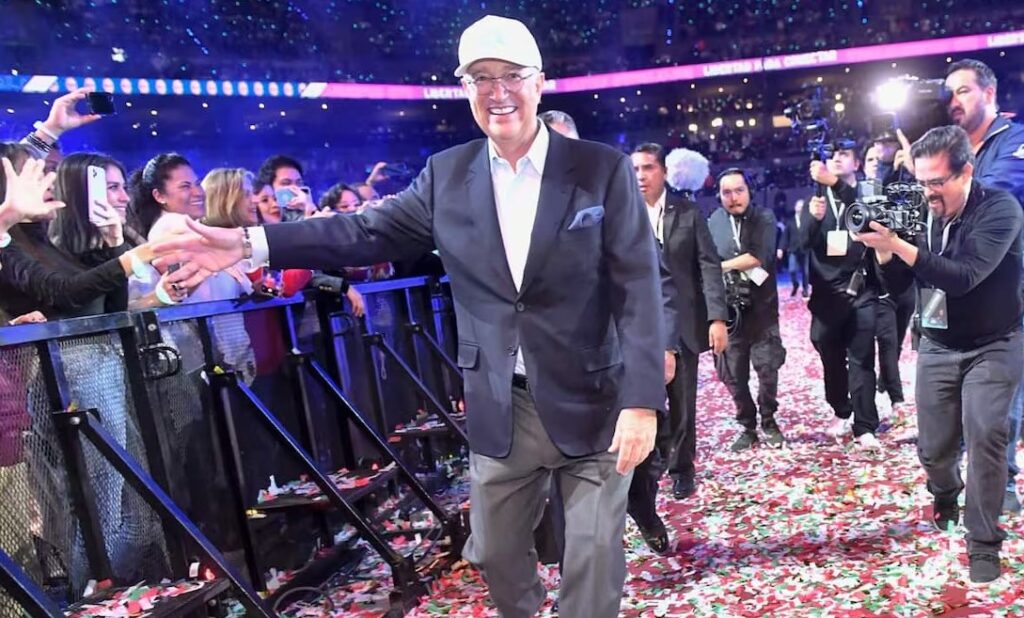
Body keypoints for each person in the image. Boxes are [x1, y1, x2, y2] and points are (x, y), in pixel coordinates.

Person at [154, 15, 664, 618]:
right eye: (481, 78)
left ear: (539, 82)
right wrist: (249, 244)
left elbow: (637, 285)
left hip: (595, 397)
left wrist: (642, 400)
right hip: (504, 401)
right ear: (465, 88)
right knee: (495, 554)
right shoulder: (447, 174)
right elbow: (361, 231)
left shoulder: (601, 168)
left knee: (594, 557)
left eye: (511, 75)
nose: (498, 91)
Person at [858, 125, 1022, 583]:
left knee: (986, 434)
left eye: (936, 182)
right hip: (937, 341)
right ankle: (945, 490)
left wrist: (900, 246)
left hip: (995, 343)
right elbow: (899, 286)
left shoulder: (1000, 209)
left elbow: (963, 277)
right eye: (921, 181)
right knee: (934, 450)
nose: (927, 192)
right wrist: (885, 254)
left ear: (965, 172)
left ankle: (983, 543)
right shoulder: (918, 210)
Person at [626, 144, 728, 555]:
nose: (640, 175)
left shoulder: (687, 212)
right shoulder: (623, 213)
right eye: (635, 168)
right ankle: (647, 483)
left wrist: (716, 317)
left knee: (683, 403)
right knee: (646, 409)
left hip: (682, 323)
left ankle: (682, 467)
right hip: (638, 330)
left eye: (648, 168)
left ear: (664, 172)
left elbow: (708, 265)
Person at [944, 58, 1024, 514]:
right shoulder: (950, 149)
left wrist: (938, 189)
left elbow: (994, 195)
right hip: (957, 285)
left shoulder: (1015, 141)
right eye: (949, 94)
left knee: (1001, 392)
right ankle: (962, 476)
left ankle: (1001, 484)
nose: (954, 101)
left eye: (963, 91)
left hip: (1009, 288)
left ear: (989, 94)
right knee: (954, 390)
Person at [805, 144, 884, 450]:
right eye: (832, 154)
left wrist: (835, 184)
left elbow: (870, 217)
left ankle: (865, 426)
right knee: (829, 355)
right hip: (826, 295)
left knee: (862, 359)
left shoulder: (867, 191)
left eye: (844, 154)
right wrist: (812, 220)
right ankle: (841, 408)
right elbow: (800, 244)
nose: (836, 158)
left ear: (857, 163)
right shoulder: (816, 199)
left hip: (860, 288)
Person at [707, 168, 787, 451]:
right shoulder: (714, 222)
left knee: (768, 370)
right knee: (732, 375)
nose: (733, 197)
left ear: (749, 191)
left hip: (763, 311)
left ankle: (769, 420)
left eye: (739, 190)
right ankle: (748, 425)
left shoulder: (764, 218)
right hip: (730, 315)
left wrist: (720, 266)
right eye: (726, 192)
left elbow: (758, 258)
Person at [779, 199, 809, 298]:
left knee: (805, 272)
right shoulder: (790, 222)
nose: (800, 209)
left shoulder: (808, 221)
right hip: (792, 250)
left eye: (802, 207)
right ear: (795, 208)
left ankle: (805, 289)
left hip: (805, 250)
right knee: (792, 270)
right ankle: (795, 284)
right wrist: (780, 249)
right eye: (798, 206)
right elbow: (785, 236)